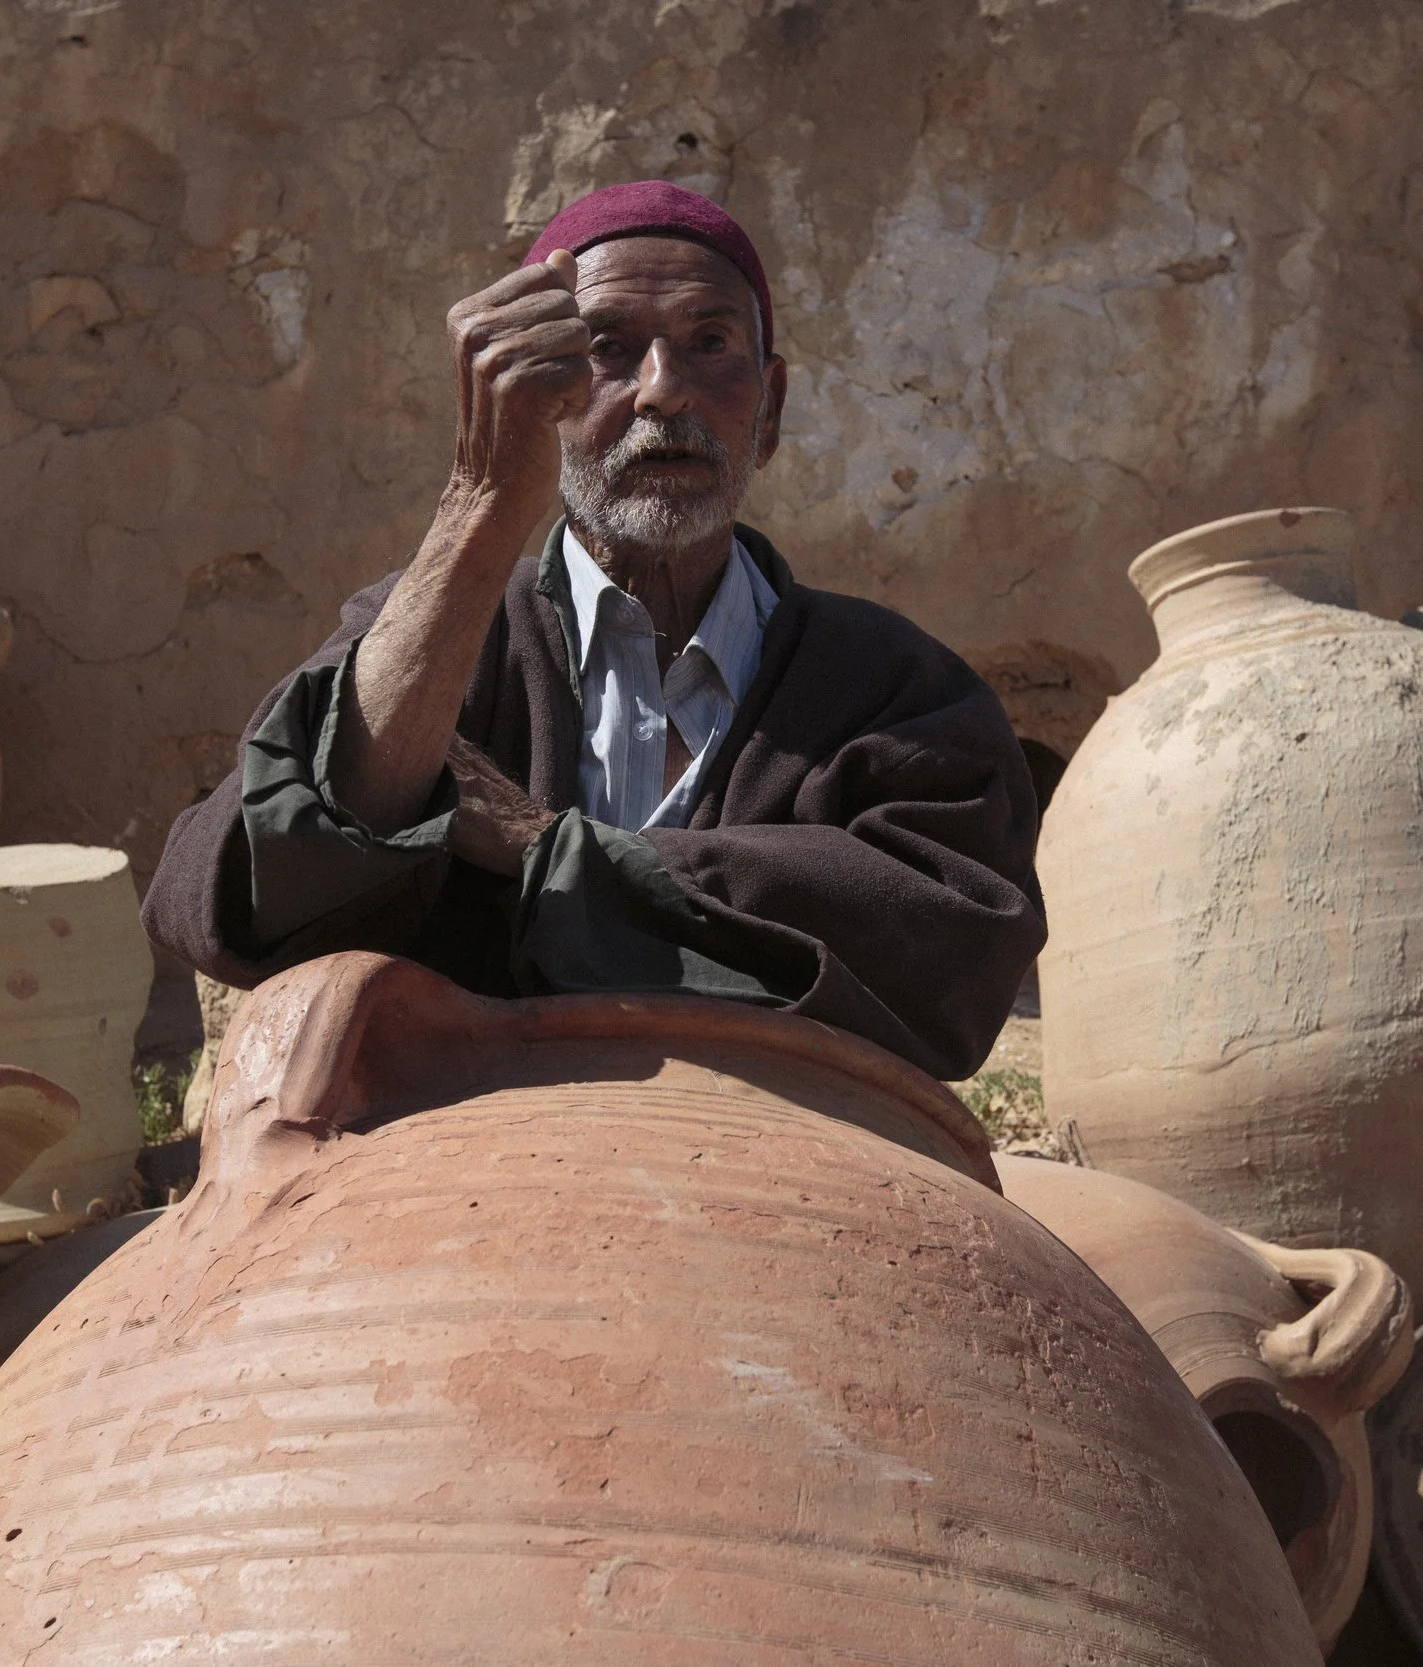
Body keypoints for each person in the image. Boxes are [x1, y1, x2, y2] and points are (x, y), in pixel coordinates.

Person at [143, 181, 1044, 1080]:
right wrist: (482, 501)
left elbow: (950, 956)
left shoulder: (890, 688)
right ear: (530, 395)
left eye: (711, 342)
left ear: (768, 410)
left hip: (796, 1191)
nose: (664, 392)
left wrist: (543, 848)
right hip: (454, 1190)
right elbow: (223, 891)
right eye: (607, 349)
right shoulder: (436, 639)